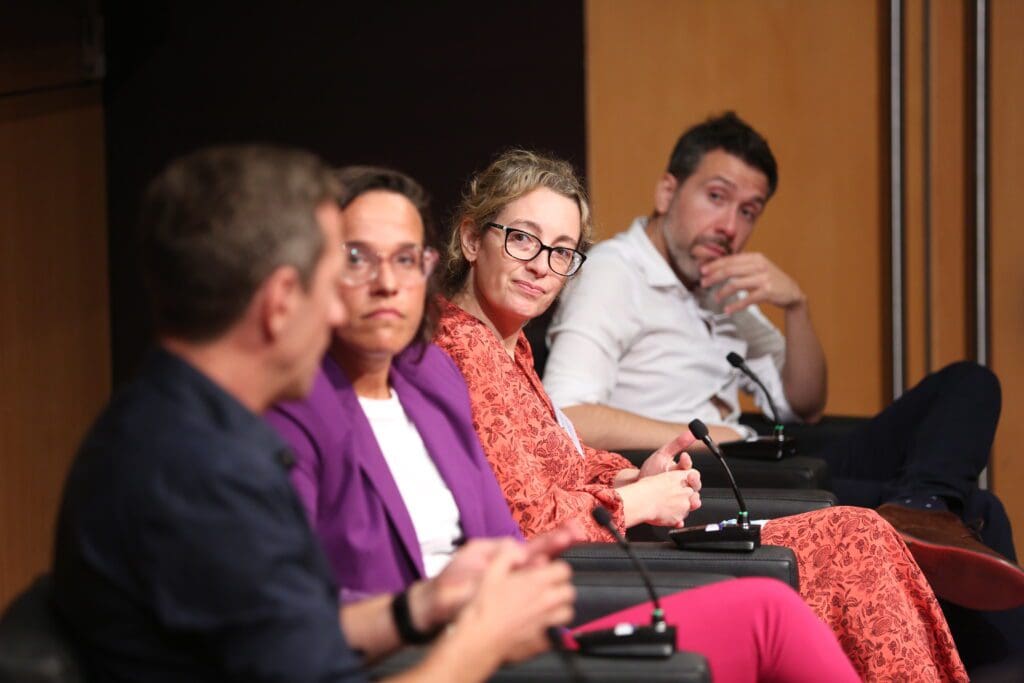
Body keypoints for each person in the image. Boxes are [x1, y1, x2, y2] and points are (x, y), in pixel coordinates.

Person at [266, 165, 860, 682]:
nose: (389, 283)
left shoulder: (432, 386)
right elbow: (290, 632)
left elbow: (511, 534)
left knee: (831, 553)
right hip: (461, 650)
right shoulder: (428, 366)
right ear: (470, 238)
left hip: (525, 620)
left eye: (403, 259)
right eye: (357, 257)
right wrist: (435, 616)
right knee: (798, 587)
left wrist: (627, 484)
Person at [435, 148, 968, 680]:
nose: (540, 266)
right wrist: (634, 499)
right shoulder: (463, 353)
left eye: (561, 251)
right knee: (854, 541)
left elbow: (555, 467)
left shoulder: (510, 348)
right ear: (470, 238)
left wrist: (627, 473)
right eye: (523, 238)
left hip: (613, 551)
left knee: (862, 530)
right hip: (586, 585)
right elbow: (524, 525)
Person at [51, 146, 578, 683]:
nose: (339, 312)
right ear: (282, 300)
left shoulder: (192, 421)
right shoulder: (200, 469)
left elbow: (294, 635)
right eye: (332, 279)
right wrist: (481, 643)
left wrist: (420, 606)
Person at [541, 114, 1024, 612]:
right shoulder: (613, 274)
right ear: (668, 192)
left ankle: (923, 507)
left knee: (970, 385)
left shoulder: (718, 281)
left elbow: (803, 403)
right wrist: (704, 433)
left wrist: (796, 307)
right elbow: (568, 414)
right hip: (711, 470)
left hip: (765, 452)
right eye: (716, 197)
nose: (730, 226)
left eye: (749, 211)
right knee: (978, 507)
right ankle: (926, 510)